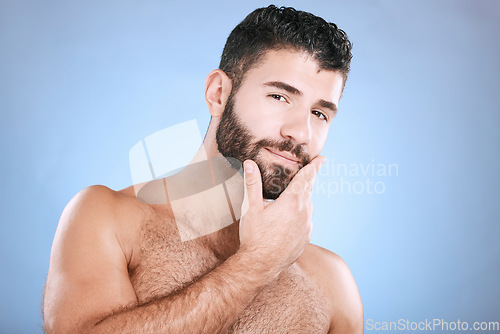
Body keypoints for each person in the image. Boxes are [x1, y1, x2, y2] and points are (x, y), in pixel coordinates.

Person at [43, 5, 363, 333]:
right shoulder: (106, 218)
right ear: (218, 94)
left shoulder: (333, 283)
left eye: (320, 114)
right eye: (279, 96)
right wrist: (256, 264)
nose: (301, 132)